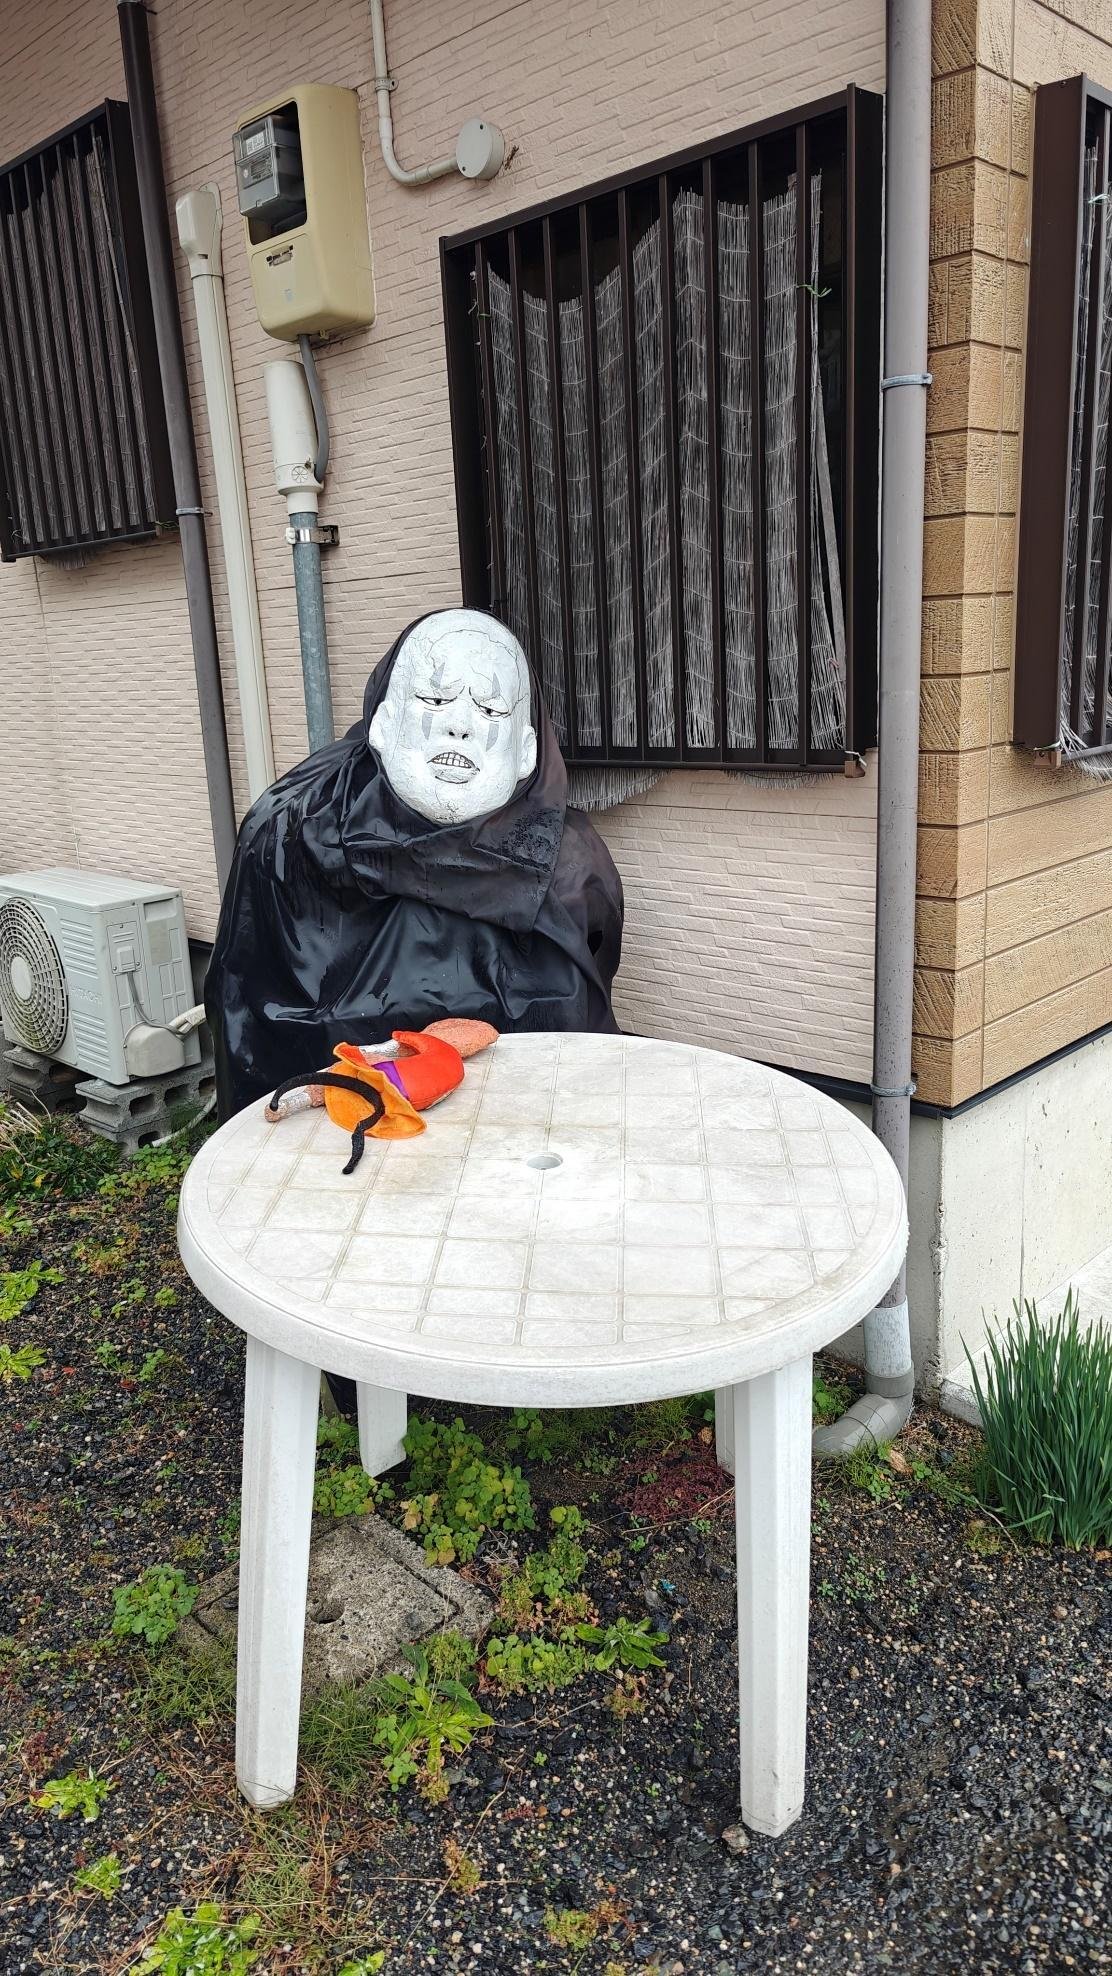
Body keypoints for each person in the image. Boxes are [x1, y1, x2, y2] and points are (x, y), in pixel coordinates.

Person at [206, 609, 624, 1116]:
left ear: (527, 750)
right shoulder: (296, 827)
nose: (460, 727)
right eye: (435, 700)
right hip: (342, 1118)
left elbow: (589, 989)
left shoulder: (570, 860)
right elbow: (250, 1003)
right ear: (383, 722)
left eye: (491, 710)